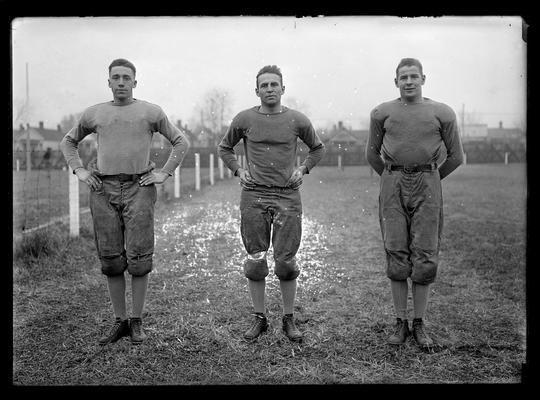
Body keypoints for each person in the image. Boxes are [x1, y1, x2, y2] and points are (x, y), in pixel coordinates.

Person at [60, 58, 189, 345]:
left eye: (126, 77)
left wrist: (163, 173)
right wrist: (80, 170)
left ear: (135, 81)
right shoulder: (95, 113)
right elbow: (68, 141)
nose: (121, 82)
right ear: (108, 82)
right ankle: (119, 321)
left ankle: (137, 320)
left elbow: (181, 141)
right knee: (111, 258)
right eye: (115, 77)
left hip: (139, 187)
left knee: (140, 257)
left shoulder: (150, 112)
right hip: (102, 189)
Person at [218, 65, 325, 342]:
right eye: (263, 85)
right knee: (255, 259)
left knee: (286, 260)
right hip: (253, 195)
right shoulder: (244, 119)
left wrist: (302, 170)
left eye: (273, 84)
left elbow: (318, 148)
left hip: (287, 195)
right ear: (256, 91)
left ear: (283, 88)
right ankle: (259, 318)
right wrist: (239, 171)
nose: (269, 89)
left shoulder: (297, 120)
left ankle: (288, 319)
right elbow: (224, 147)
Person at [365, 58, 464, 348]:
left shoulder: (442, 112)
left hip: (428, 183)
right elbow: (372, 154)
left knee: (425, 253)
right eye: (403, 77)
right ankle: (400, 323)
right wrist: (391, 179)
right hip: (393, 182)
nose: (409, 81)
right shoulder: (382, 112)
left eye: (414, 76)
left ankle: (419, 323)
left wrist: (431, 179)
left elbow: (456, 156)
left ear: (423, 78)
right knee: (396, 251)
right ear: (396, 82)